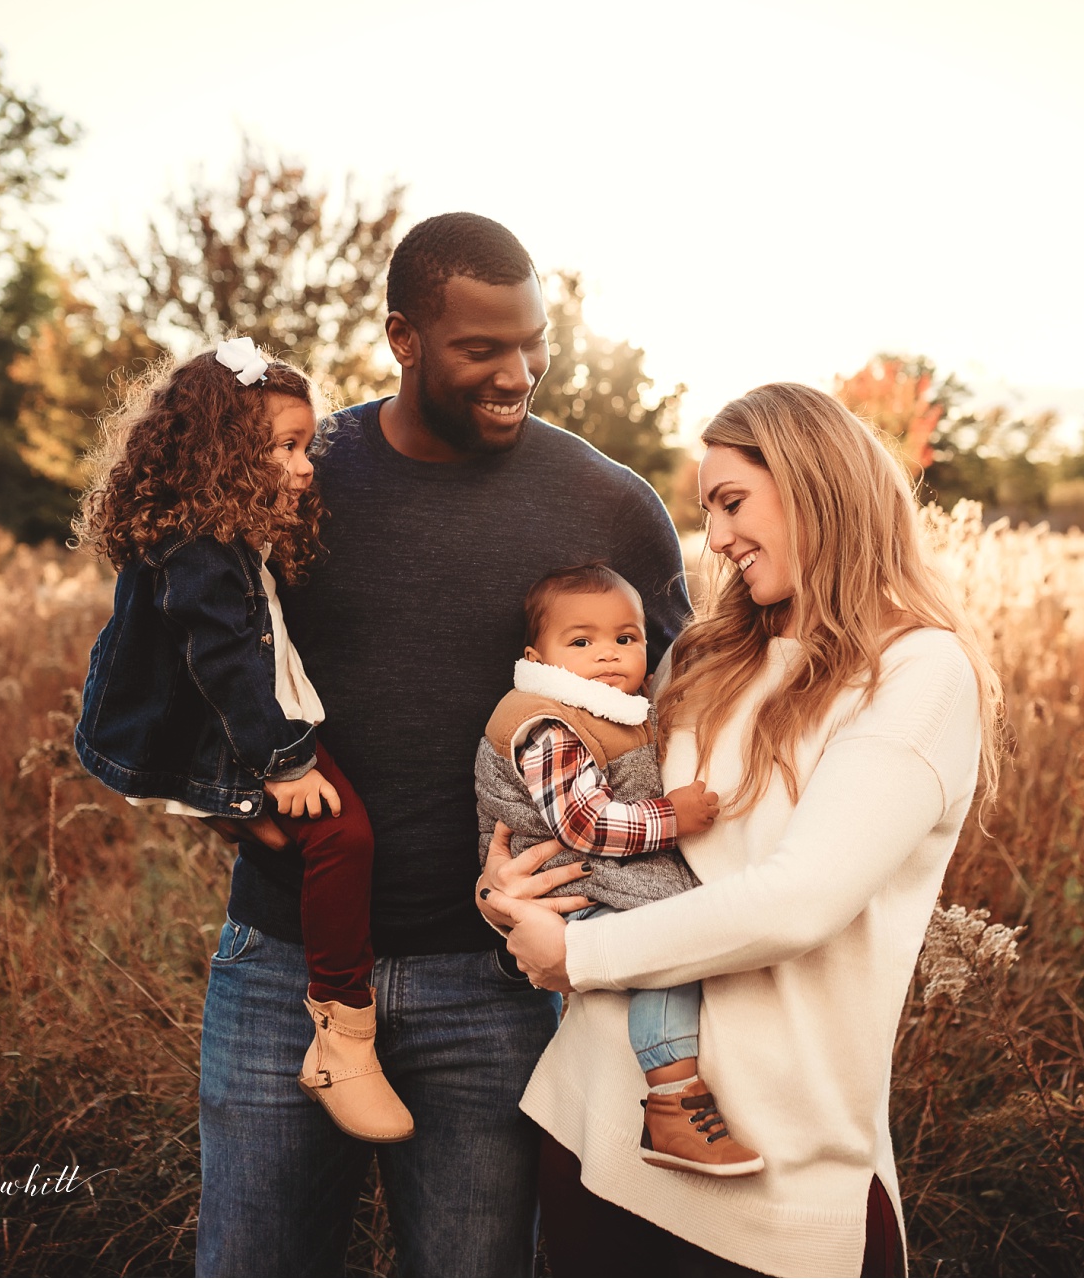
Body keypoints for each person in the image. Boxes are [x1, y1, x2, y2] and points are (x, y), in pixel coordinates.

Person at [197, 213, 693, 1277]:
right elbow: (183, 654)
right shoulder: (295, 477)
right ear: (401, 337)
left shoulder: (608, 505)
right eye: (482, 349)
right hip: (284, 969)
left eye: (533, 343)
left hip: (500, 985)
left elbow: (698, 710)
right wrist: (236, 801)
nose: (519, 373)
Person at [482, 382, 1005, 1278]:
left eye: (731, 502)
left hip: (777, 1169)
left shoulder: (920, 673)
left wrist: (576, 958)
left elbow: (798, 901)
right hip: (596, 1114)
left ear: (814, 483)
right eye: (706, 511)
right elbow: (598, 823)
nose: (714, 539)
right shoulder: (702, 655)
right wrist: (516, 904)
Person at [70, 342, 415, 1144]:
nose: (304, 467)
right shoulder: (198, 548)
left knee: (309, 837)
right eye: (284, 448)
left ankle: (341, 1023)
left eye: (306, 446)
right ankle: (343, 1035)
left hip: (236, 730)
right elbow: (225, 660)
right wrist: (285, 763)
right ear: (224, 455)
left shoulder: (216, 531)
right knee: (342, 834)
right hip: (233, 738)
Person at [475, 563, 761, 1176]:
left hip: (597, 873)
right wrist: (672, 816)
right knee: (663, 951)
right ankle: (672, 1101)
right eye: (582, 642)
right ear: (538, 655)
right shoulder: (547, 722)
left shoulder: (615, 709)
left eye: (625, 639)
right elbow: (584, 824)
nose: (608, 654)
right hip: (577, 879)